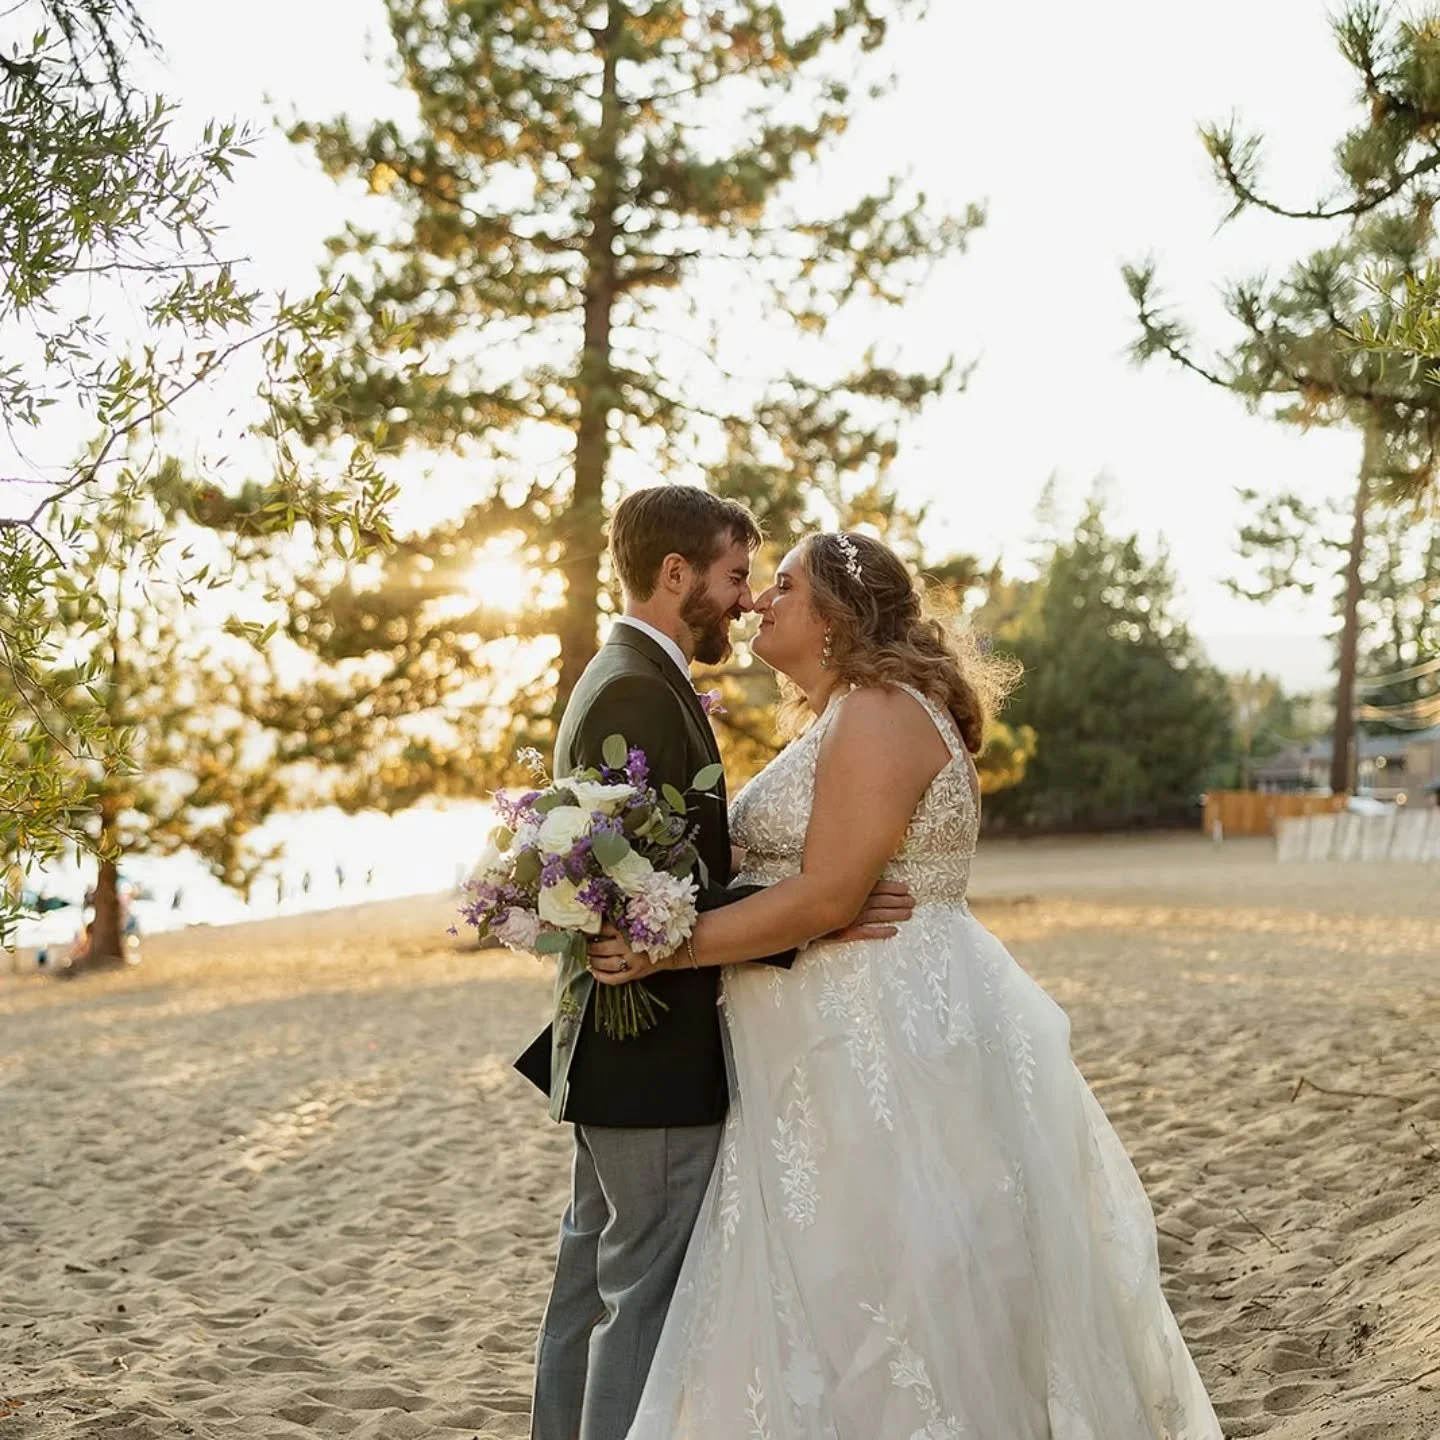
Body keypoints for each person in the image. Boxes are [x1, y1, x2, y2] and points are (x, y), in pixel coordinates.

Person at [588, 530, 1223, 1438]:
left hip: (873, 1033)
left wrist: (664, 948)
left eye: (786, 585)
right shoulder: (848, 710)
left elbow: (832, 894)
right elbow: (806, 880)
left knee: (887, 1285)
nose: (762, 600)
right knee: (841, 1285)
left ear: (839, 615)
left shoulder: (882, 709)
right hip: (824, 1035)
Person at [515, 488, 914, 1440]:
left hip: (618, 1043)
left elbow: (652, 876)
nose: (744, 602)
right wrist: (817, 917)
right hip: (646, 1043)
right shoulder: (634, 687)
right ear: (675, 574)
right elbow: (648, 899)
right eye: (737, 577)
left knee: (591, 1286)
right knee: (641, 1300)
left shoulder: (631, 674)